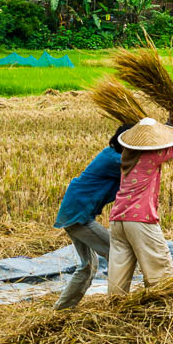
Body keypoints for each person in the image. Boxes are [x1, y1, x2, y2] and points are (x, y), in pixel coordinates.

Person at [107, 105, 173, 295]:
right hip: (139, 221)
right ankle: (160, 313)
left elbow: (158, 142)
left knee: (118, 276)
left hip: (117, 221)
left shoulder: (127, 156)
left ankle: (114, 311)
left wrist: (170, 122)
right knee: (160, 272)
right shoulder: (151, 157)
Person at [52, 124, 127, 310]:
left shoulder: (111, 154)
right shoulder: (114, 159)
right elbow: (141, 163)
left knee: (88, 266)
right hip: (78, 213)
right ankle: (119, 302)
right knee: (116, 252)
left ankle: (61, 310)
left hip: (73, 211)